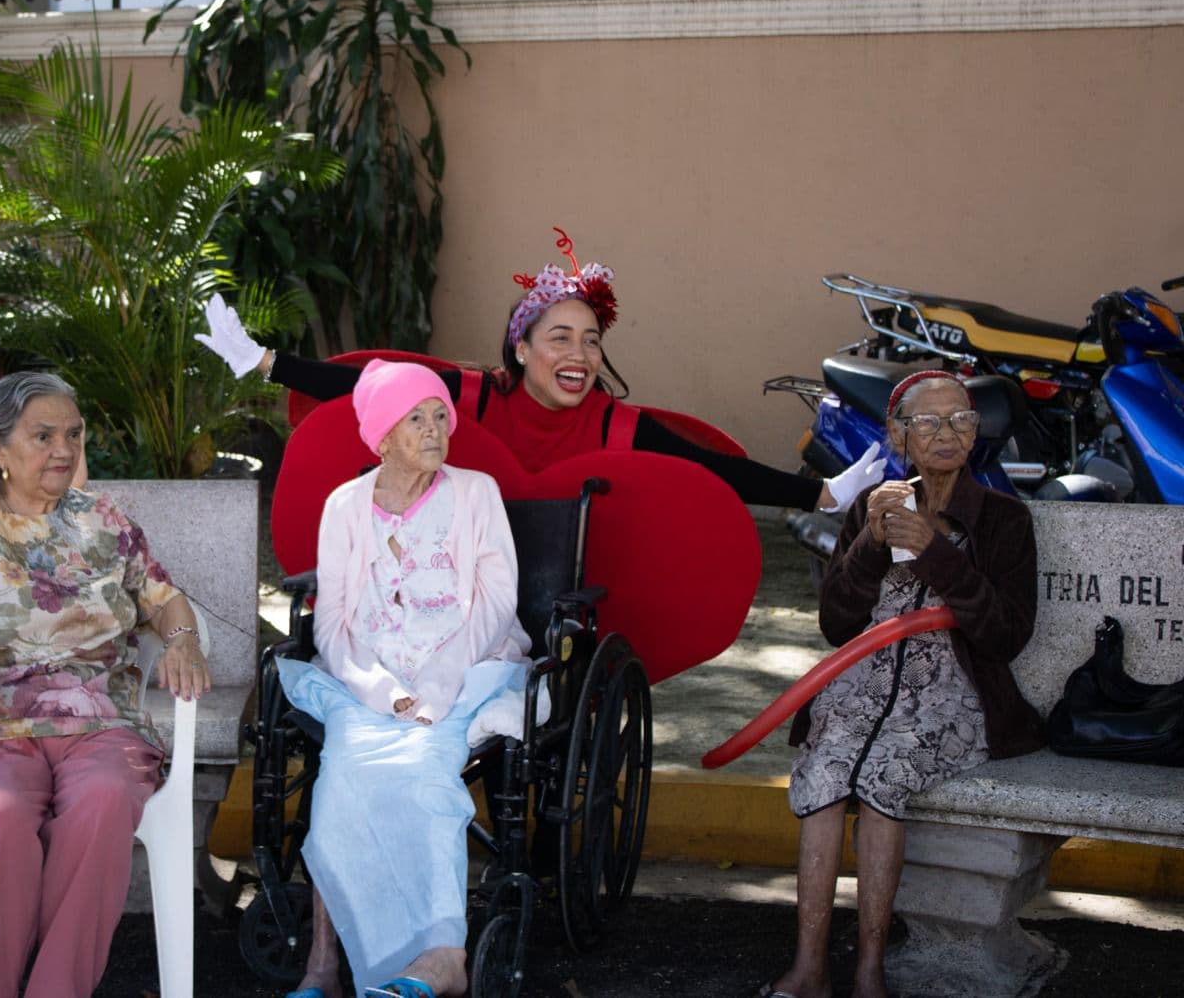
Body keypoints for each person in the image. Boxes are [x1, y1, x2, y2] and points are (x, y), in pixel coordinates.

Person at [0, 371, 210, 998]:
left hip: (102, 722)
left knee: (106, 800)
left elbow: (164, 600)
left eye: (73, 435)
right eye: (43, 435)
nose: (64, 450)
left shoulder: (104, 519)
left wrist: (184, 639)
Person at [193, 228, 883, 512]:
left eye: (591, 341)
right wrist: (265, 361)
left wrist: (823, 494)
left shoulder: (617, 424)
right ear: (521, 348)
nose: (579, 356)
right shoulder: (471, 398)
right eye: (560, 338)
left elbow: (712, 469)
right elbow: (370, 383)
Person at [763, 370, 1042, 998]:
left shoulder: (1002, 519)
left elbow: (1006, 635)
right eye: (928, 422)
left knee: (884, 771)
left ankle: (869, 970)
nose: (947, 434)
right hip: (859, 684)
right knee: (827, 770)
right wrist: (869, 543)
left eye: (961, 420)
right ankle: (809, 968)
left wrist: (938, 554)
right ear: (898, 434)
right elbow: (837, 624)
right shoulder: (873, 505)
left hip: (952, 696)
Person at [277, 359, 534, 998]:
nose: (433, 428)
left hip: (468, 672)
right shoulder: (345, 506)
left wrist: (441, 681)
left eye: (439, 414)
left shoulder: (476, 493)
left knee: (422, 778)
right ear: (382, 437)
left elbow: (498, 600)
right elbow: (332, 624)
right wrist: (379, 688)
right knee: (340, 787)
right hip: (368, 685)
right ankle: (323, 967)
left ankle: (442, 958)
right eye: (414, 418)